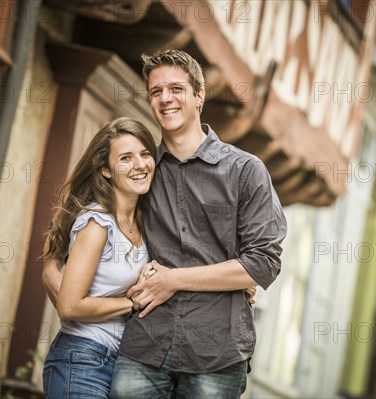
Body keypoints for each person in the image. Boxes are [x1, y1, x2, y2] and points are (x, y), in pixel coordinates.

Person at [108, 49, 288, 398]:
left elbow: (263, 263)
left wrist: (173, 279)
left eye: (176, 88)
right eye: (156, 91)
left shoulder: (245, 171)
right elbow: (94, 223)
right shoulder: (143, 172)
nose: (165, 98)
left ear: (200, 95)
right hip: (146, 344)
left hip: (216, 353)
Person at [39, 117, 157, 399]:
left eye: (145, 154)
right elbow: (69, 306)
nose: (139, 165)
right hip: (81, 358)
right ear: (105, 170)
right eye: (125, 158)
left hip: (122, 363)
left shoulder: (145, 221)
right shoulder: (98, 223)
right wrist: (130, 302)